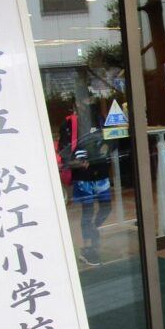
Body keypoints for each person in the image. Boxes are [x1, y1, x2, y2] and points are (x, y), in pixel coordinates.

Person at [61, 98, 112, 267]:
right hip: (83, 176)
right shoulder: (69, 124)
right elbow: (64, 151)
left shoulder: (99, 119)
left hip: (100, 172)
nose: (85, 105)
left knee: (106, 207)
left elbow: (111, 141)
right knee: (88, 211)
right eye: (81, 102)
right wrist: (77, 162)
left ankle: (93, 231)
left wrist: (106, 151)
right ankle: (88, 248)